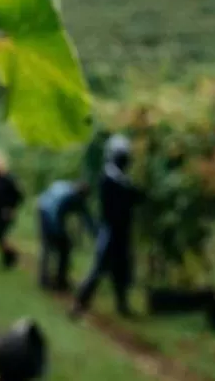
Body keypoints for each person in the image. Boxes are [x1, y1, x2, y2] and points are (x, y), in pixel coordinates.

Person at [73, 134, 140, 317]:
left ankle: (122, 306)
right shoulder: (109, 178)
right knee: (99, 267)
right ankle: (80, 303)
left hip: (121, 231)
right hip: (111, 230)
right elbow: (115, 207)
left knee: (120, 269)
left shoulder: (121, 178)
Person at [35, 178, 93, 291]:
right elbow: (53, 213)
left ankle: (61, 279)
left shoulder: (78, 198)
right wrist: (58, 233)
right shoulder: (67, 196)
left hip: (54, 214)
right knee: (47, 245)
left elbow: (87, 216)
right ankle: (44, 279)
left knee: (65, 247)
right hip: (44, 211)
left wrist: (95, 233)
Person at [0, 161, 25, 269]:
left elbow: (19, 195)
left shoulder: (9, 179)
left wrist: (12, 208)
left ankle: (11, 257)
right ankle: (7, 258)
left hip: (6, 213)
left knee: (4, 236)